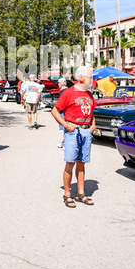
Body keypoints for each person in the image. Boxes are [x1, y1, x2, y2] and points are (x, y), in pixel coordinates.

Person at [51, 66, 96, 208]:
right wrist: (66, 125)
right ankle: (67, 194)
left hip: (85, 131)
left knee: (81, 162)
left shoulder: (89, 94)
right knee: (70, 162)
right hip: (73, 131)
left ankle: (81, 193)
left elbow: (91, 111)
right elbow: (55, 111)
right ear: (82, 78)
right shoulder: (68, 93)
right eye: (90, 77)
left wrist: (93, 124)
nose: (92, 80)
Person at [57, 78, 68, 149]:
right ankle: (64, 142)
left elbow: (62, 103)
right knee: (65, 129)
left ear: (60, 84)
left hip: (64, 112)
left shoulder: (62, 92)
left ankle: (66, 144)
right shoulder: (68, 90)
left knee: (66, 128)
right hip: (67, 111)